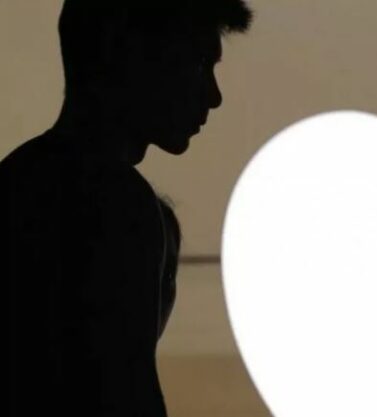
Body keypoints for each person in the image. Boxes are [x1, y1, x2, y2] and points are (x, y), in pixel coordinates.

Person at [1, 1, 252, 415]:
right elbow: (126, 389)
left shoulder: (17, 179)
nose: (213, 95)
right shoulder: (116, 205)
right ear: (129, 54)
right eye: (199, 63)